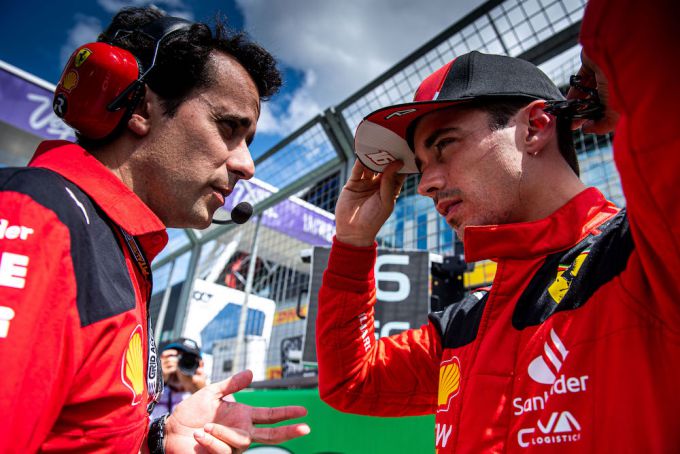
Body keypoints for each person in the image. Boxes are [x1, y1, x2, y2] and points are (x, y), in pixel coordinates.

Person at [315, 0, 680, 451]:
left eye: (445, 145)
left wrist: (606, 55)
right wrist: (352, 244)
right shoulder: (468, 319)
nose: (425, 184)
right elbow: (351, 381)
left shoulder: (649, 249)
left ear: (535, 127)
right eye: (421, 165)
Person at [0, 7, 309, 453]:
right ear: (143, 108)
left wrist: (157, 440)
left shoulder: (112, 241)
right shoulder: (38, 220)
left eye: (248, 141)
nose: (247, 165)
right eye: (228, 127)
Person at [151, 338, 208, 419]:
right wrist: (155, 380)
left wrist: (202, 391)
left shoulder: (203, 394)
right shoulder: (151, 392)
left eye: (189, 361)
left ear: (199, 365)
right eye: (176, 357)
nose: (179, 366)